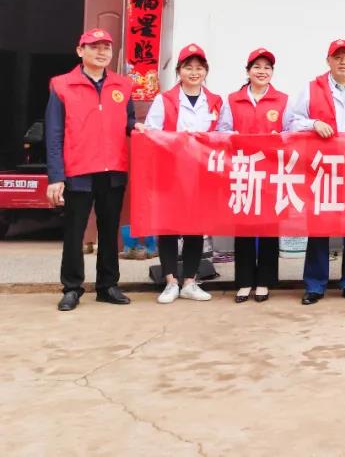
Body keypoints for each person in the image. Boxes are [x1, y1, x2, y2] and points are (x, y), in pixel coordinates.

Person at [47, 29, 135, 312]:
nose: (101, 52)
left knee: (109, 231)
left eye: (106, 47)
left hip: (113, 168)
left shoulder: (123, 85)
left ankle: (107, 286)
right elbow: (54, 133)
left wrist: (142, 130)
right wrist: (56, 176)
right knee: (74, 232)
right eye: (94, 47)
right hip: (79, 170)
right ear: (80, 51)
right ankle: (72, 288)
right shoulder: (62, 85)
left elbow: (129, 122)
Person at [284, 39, 345, 306]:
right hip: (322, 169)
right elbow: (292, 122)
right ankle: (315, 285)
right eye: (338, 57)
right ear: (328, 61)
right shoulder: (311, 88)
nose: (343, 62)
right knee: (319, 226)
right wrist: (314, 123)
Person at [136, 43, 228, 304]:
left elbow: (224, 133)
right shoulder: (164, 100)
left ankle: (189, 281)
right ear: (179, 71)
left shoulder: (215, 101)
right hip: (170, 172)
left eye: (199, 67)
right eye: (188, 67)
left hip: (201, 174)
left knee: (194, 228)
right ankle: (170, 282)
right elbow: (152, 133)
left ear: (206, 71)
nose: (194, 72)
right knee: (167, 226)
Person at [219, 47, 288, 303]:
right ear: (248, 71)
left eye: (267, 67)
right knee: (244, 227)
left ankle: (264, 281)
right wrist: (234, 137)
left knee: (269, 227)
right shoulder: (233, 100)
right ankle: (244, 281)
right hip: (242, 169)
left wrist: (280, 137)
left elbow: (291, 130)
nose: (262, 71)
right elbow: (222, 129)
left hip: (271, 171)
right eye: (257, 67)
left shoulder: (282, 100)